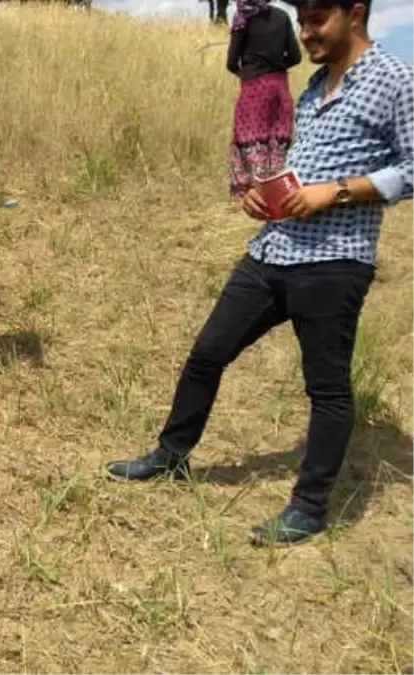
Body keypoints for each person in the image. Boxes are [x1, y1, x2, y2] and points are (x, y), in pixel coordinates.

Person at [106, 0, 412, 546]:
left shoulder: (395, 77)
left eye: (317, 17)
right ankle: (171, 456)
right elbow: (306, 165)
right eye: (302, 19)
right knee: (207, 353)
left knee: (327, 389)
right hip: (273, 250)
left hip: (336, 261)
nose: (305, 30)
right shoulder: (314, 85)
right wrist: (264, 194)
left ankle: (310, 507)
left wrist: (337, 192)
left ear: (356, 12)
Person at [226, 0, 303, 197]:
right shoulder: (282, 16)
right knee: (277, 139)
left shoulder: (242, 17)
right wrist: (275, 64)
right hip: (279, 87)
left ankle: (253, 192)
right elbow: (295, 56)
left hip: (253, 87)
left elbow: (231, 62)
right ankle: (277, 193)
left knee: (250, 138)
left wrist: (248, 71)